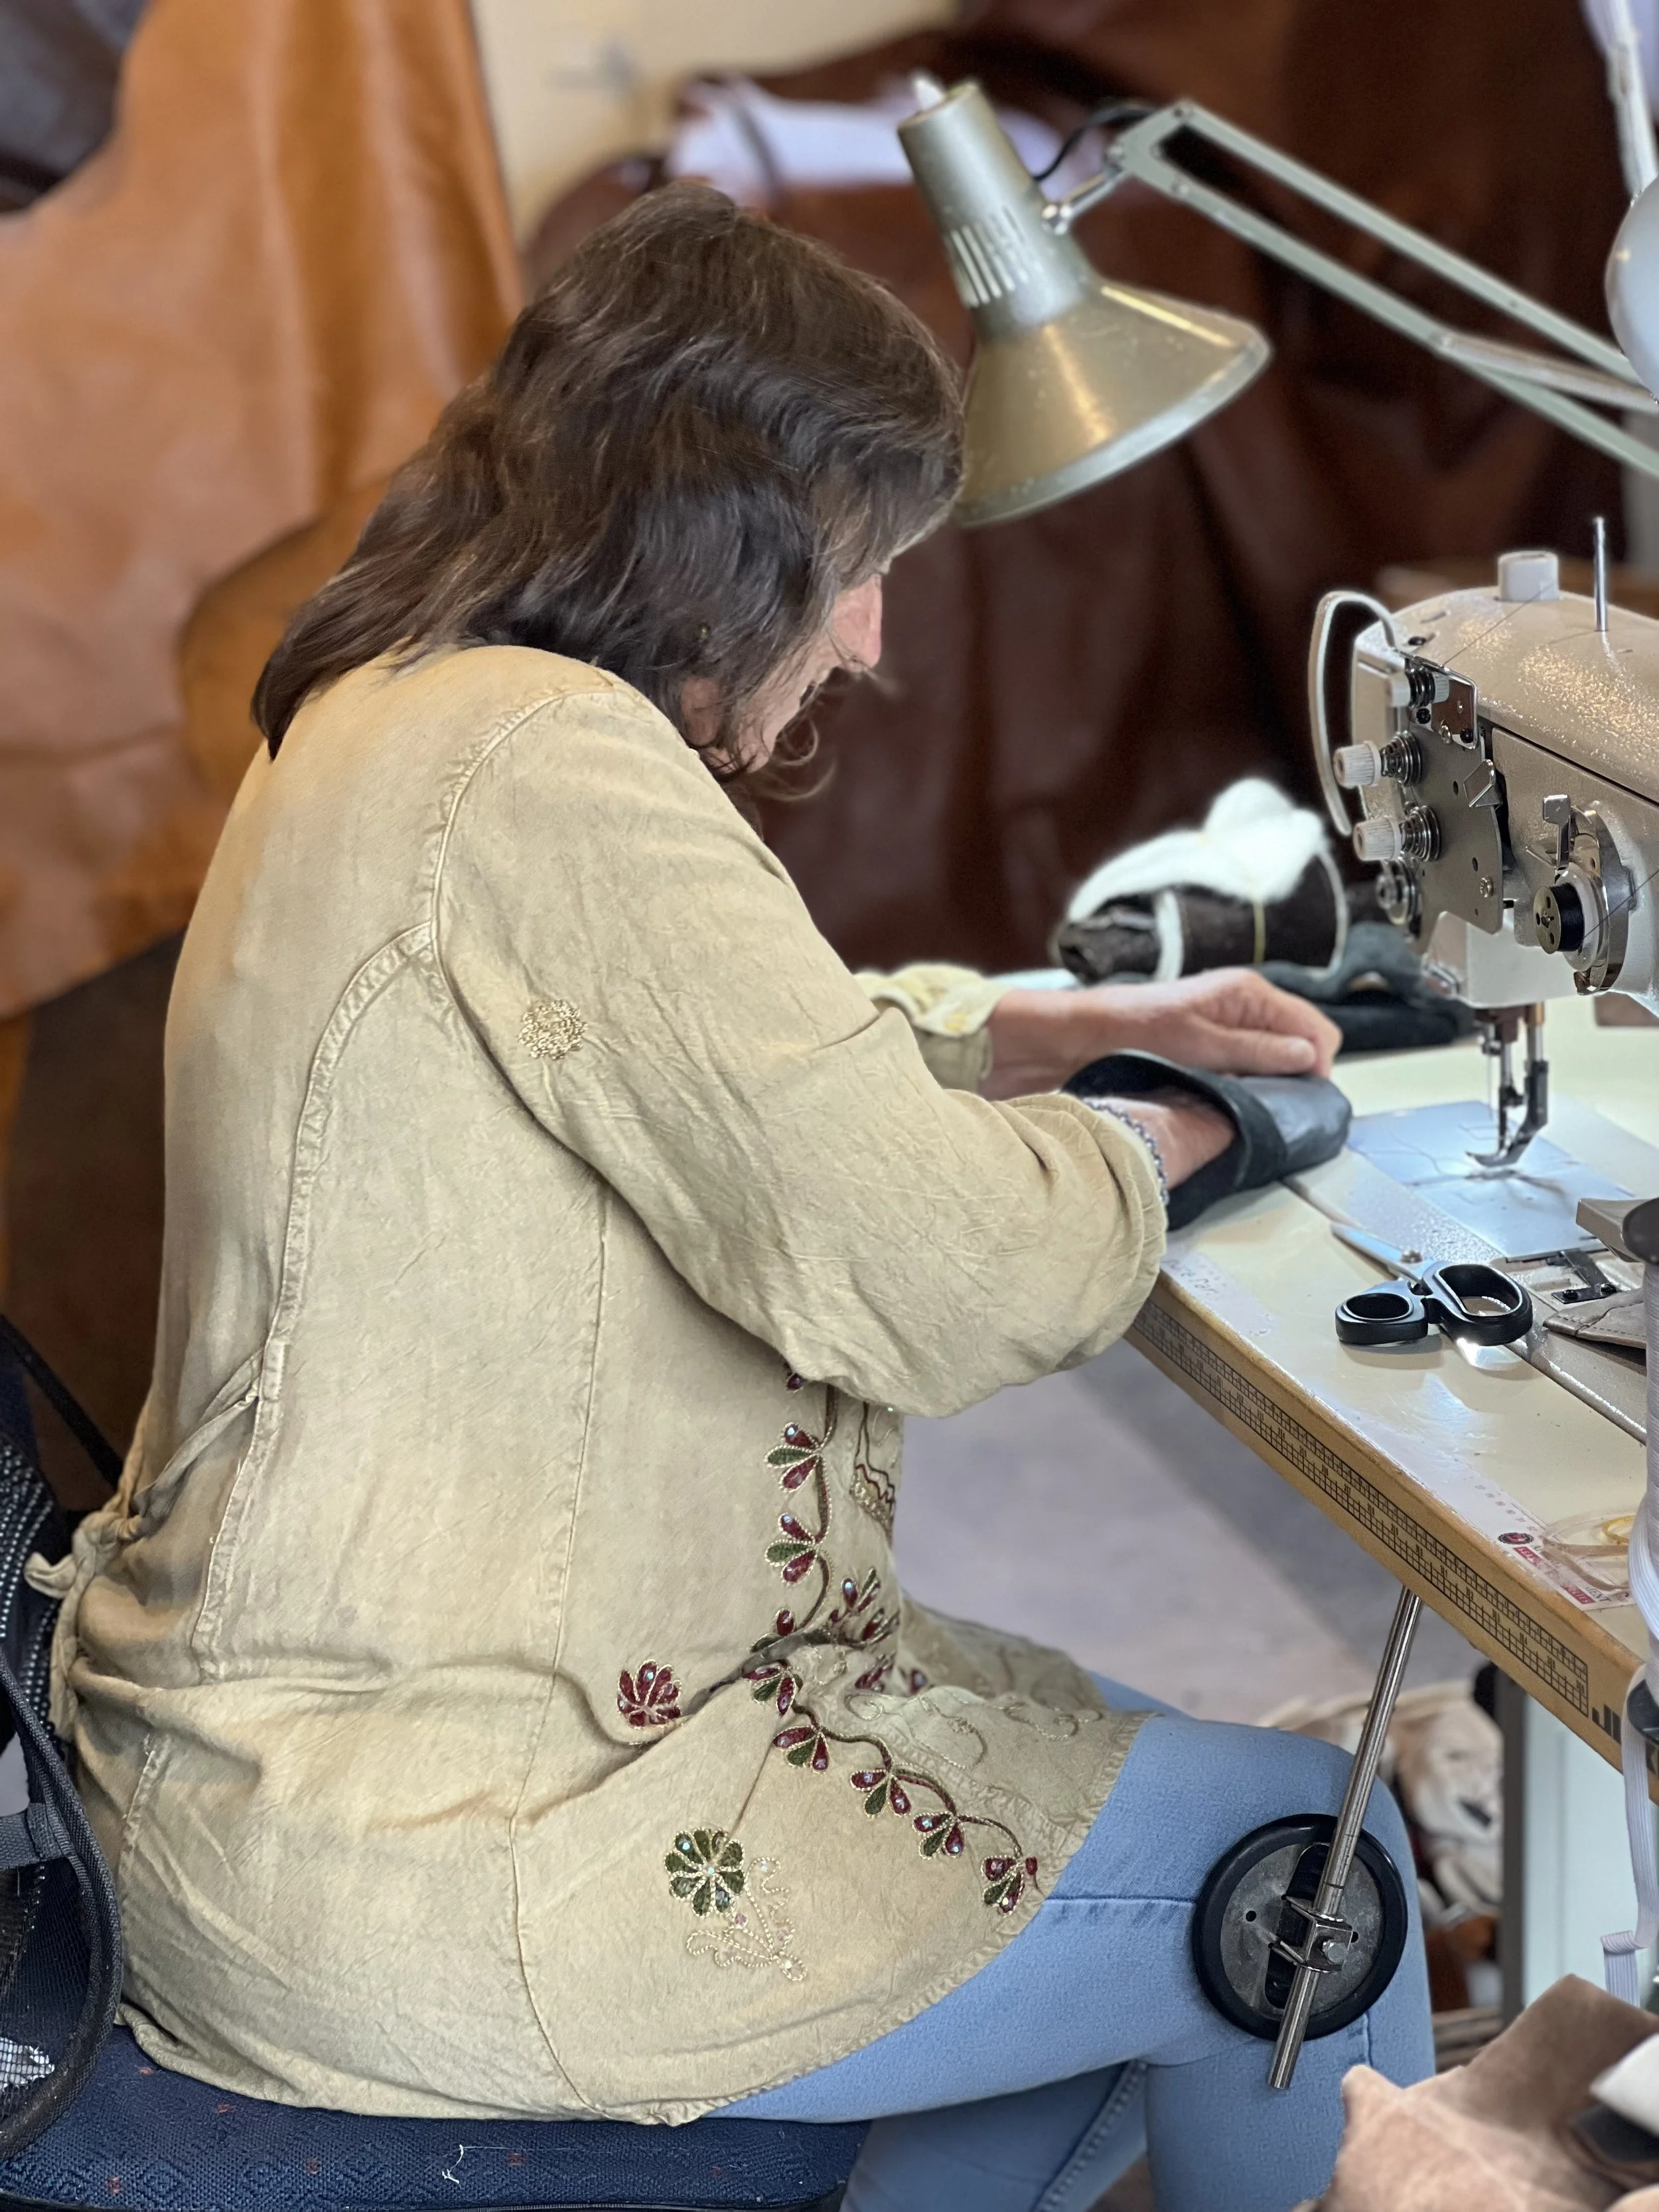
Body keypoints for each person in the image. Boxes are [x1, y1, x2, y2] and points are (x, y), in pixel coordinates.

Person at [44, 184, 1429, 2212]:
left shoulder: (397, 699)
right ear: (730, 541)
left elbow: (713, 1057)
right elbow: (935, 1270)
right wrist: (1172, 1134)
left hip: (277, 1768)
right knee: (1312, 1877)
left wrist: (1045, 1023)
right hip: (441, 1819)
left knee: (1133, 1810)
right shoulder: (547, 759)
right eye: (860, 569)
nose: (870, 637)